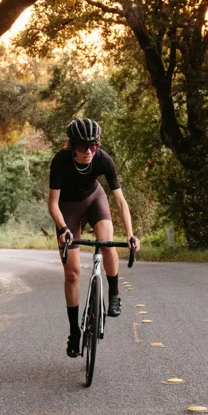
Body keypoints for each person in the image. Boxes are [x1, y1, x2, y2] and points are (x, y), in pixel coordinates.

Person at [48, 118, 140, 358]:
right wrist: (62, 228)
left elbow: (120, 200)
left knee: (108, 243)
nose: (88, 151)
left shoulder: (103, 159)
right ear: (71, 145)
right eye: (82, 146)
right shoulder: (60, 161)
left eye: (93, 146)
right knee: (72, 272)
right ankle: (74, 332)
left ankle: (113, 293)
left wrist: (130, 234)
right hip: (67, 207)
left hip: (94, 199)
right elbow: (53, 204)